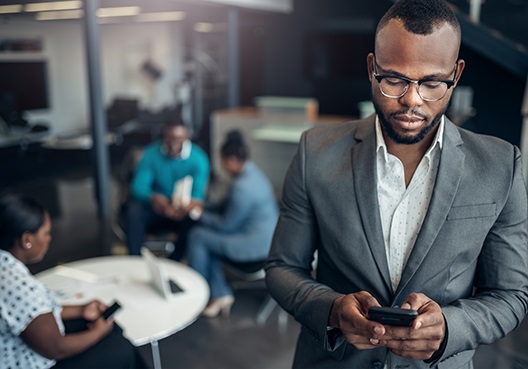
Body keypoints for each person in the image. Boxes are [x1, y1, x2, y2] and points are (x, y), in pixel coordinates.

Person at [265, 1, 528, 368]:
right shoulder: (315, 152)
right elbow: (282, 268)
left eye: (432, 83)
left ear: (456, 73)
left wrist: (451, 327)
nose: (411, 100)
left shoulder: (501, 166)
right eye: (395, 80)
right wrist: (332, 311)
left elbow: (511, 294)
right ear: (372, 68)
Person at [0, 194, 147, 369]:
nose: (49, 238)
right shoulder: (19, 287)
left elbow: (34, 317)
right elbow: (56, 349)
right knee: (121, 349)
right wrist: (98, 332)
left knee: (109, 329)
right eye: (46, 233)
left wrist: (80, 309)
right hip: (32, 363)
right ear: (27, 240)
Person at [187, 130, 279, 318]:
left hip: (255, 250)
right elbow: (227, 205)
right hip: (268, 241)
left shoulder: (242, 187)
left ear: (230, 160)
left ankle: (198, 295)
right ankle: (220, 293)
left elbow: (225, 226)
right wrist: (204, 205)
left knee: (197, 236)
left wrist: (197, 213)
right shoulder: (252, 172)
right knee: (208, 240)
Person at [125, 118, 210, 260]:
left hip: (183, 210)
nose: (173, 144)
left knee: (197, 220)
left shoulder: (198, 159)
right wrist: (153, 198)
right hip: (157, 207)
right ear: (164, 137)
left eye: (178, 139)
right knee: (134, 211)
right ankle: (135, 260)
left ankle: (175, 260)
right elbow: (138, 187)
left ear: (187, 137)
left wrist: (185, 207)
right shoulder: (151, 154)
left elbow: (198, 195)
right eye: (169, 139)